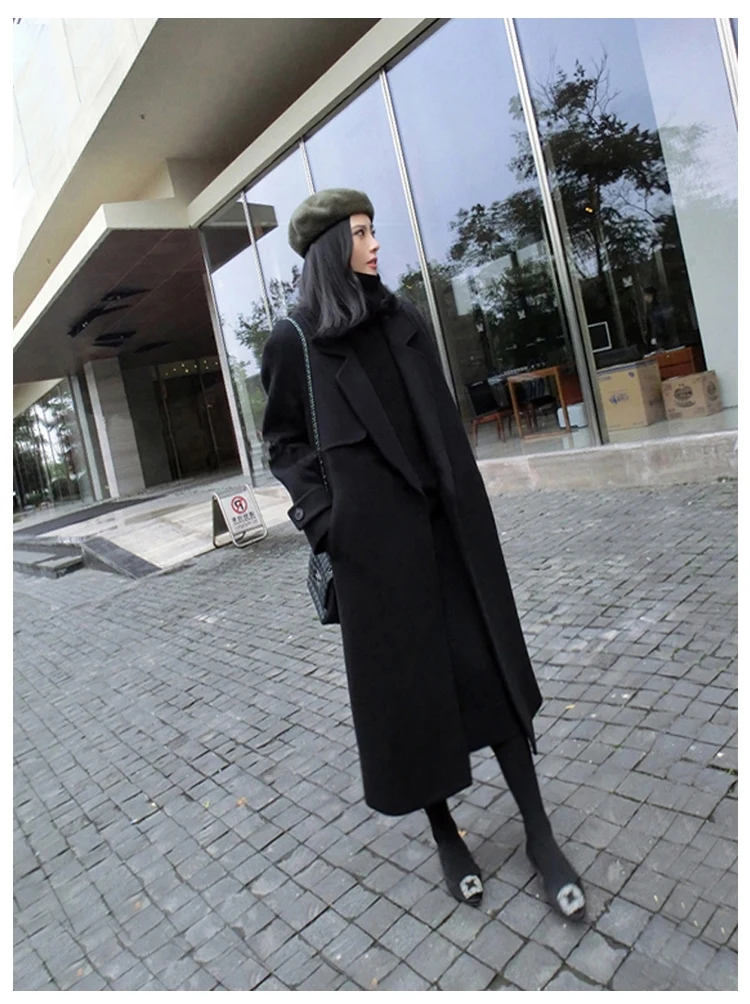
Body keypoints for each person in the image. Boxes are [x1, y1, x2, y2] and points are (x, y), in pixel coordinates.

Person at [260, 189, 585, 921]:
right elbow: (283, 442)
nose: (376, 243)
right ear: (331, 249)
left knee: (489, 675)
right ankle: (446, 837)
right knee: (411, 698)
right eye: (361, 233)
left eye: (373, 230)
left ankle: (540, 833)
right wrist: (326, 522)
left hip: (450, 537)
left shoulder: (403, 318)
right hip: (375, 557)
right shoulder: (296, 340)